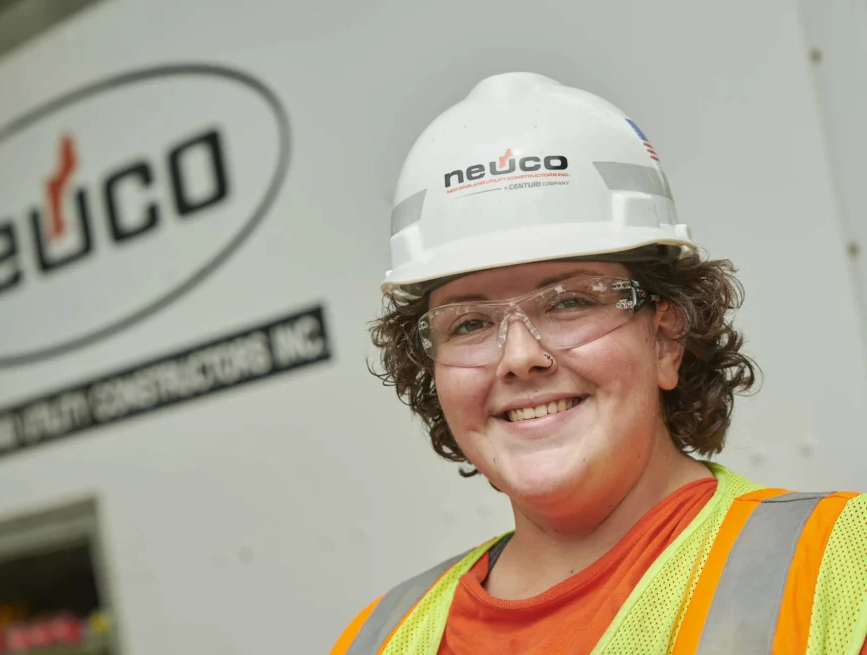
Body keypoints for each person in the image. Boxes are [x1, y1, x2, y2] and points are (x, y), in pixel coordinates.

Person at [330, 73, 867, 655]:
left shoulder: (840, 569)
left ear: (665, 338)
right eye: (470, 323)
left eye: (570, 302)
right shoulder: (378, 640)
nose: (520, 357)